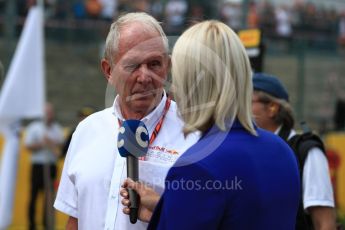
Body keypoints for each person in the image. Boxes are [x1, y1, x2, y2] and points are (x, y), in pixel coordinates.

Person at [121, 20, 300, 229]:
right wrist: (166, 210)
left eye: (178, 78)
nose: (173, 89)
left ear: (193, 86)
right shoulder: (282, 150)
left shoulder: (197, 167)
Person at [54, 12, 199, 230]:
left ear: (167, 66)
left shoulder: (194, 133)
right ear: (109, 71)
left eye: (154, 64)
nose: (145, 77)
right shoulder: (86, 131)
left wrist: (162, 210)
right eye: (132, 65)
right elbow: (74, 219)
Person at [251, 73, 337, 230]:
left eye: (245, 102)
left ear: (272, 108)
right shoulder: (248, 152)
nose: (237, 110)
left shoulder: (307, 152)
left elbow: (324, 223)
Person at [24, 102, 64, 230]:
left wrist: (51, 143)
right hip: (38, 166)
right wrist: (42, 143)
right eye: (47, 112)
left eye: (51, 112)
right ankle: (32, 225)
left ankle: (47, 225)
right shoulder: (34, 127)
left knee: (49, 197)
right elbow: (28, 146)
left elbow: (61, 147)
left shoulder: (57, 129)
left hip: (51, 166)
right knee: (34, 196)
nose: (49, 115)